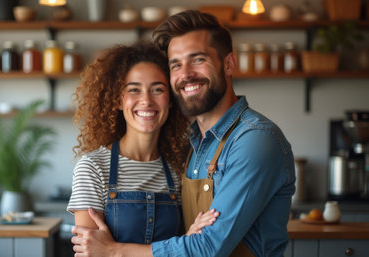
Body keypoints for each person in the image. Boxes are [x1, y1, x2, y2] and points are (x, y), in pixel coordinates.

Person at [71, 10, 296, 257]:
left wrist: (114, 251)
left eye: (198, 59)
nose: (185, 74)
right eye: (176, 64)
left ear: (229, 64)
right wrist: (188, 239)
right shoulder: (192, 150)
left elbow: (207, 247)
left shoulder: (254, 140)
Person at [67, 41, 219, 245]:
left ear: (171, 100)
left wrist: (189, 239)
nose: (146, 100)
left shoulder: (179, 168)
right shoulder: (93, 168)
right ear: (118, 101)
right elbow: (91, 253)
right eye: (134, 90)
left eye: (157, 90)